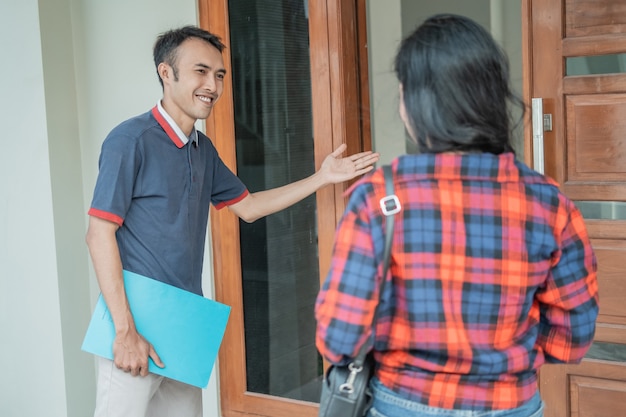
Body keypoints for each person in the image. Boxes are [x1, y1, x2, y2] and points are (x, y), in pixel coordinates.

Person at [85, 25, 379, 417]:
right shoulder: (130, 141)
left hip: (184, 323)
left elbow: (250, 206)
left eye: (220, 75)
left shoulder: (202, 149)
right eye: (201, 72)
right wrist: (124, 332)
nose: (213, 85)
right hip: (133, 325)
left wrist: (321, 177)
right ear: (166, 73)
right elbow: (98, 233)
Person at [315, 14, 599, 417]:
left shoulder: (378, 199)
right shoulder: (550, 204)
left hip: (402, 404)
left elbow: (338, 338)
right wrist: (501, 358)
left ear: (417, 104)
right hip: (512, 405)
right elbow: (572, 338)